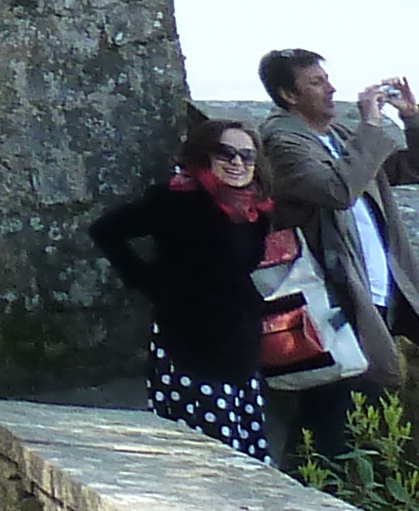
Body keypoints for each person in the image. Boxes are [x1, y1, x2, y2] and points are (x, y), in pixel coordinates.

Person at [254, 48, 419, 462]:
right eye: (316, 82)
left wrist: (411, 119)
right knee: (335, 411)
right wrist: (369, 124)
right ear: (288, 95)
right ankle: (311, 495)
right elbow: (336, 190)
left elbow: (410, 168)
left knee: (359, 405)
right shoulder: (283, 142)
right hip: (333, 304)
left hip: (379, 292)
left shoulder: (340, 137)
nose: (331, 90)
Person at [89, 119, 279, 464]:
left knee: (244, 447)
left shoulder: (255, 210)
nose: (237, 163)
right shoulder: (175, 202)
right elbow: (106, 230)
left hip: (238, 339)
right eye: (226, 153)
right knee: (207, 448)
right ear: (204, 155)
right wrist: (149, 282)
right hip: (189, 339)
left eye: (247, 157)